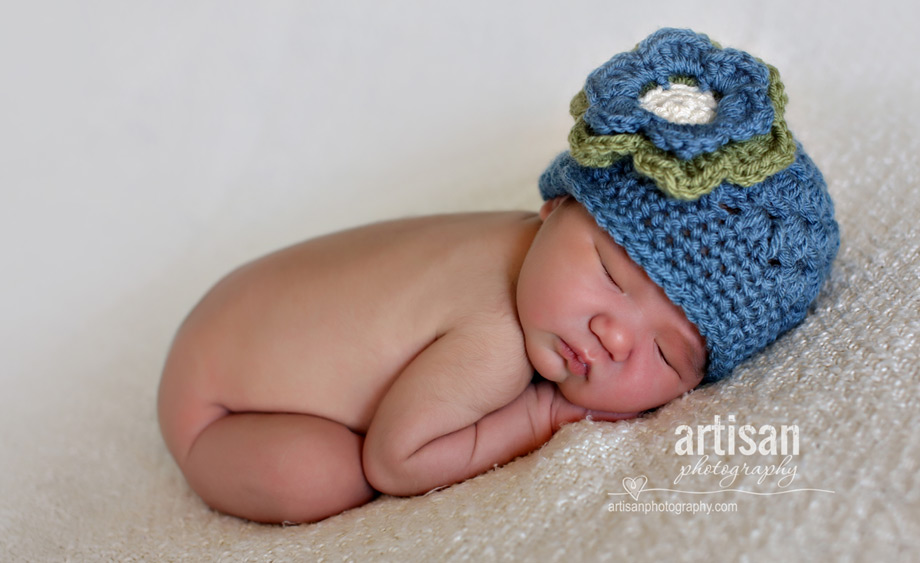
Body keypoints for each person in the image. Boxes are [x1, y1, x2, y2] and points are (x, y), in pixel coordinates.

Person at [157, 28, 839, 524]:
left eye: (667, 352)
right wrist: (543, 412)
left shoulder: (530, 244)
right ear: (554, 205)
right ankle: (201, 444)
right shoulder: (493, 340)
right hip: (217, 406)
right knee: (328, 475)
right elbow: (397, 462)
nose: (615, 335)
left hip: (241, 300)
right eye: (609, 272)